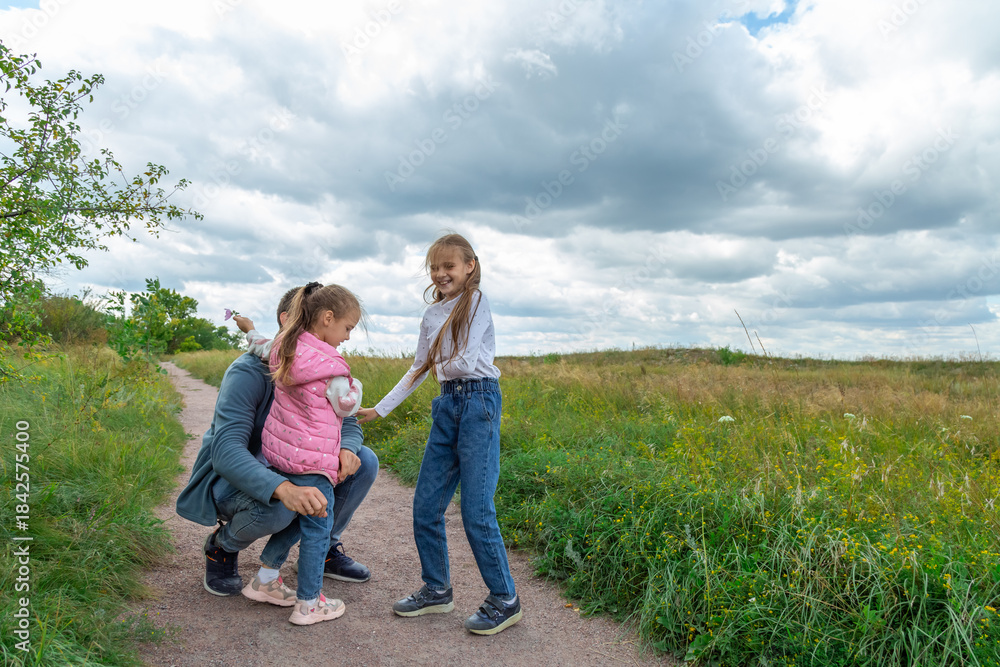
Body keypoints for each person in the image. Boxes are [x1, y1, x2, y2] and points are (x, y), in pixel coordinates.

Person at [175, 285, 378, 619]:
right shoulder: (249, 372)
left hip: (295, 464)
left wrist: (346, 448)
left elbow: (347, 419)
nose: (344, 337)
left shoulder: (319, 362)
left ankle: (323, 549)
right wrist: (284, 490)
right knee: (281, 507)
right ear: (290, 319)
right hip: (236, 477)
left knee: (364, 461)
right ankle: (222, 547)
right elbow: (226, 452)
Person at [357, 233, 521, 636]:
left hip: (479, 403)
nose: (441, 273)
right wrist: (380, 408)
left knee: (476, 510)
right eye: (435, 267)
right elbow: (419, 368)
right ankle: (437, 588)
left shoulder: (477, 301)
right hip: (447, 404)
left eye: (449, 266)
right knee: (426, 506)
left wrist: (438, 363)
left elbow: (464, 361)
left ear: (470, 266)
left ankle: (505, 599)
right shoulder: (431, 316)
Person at [249, 282, 364, 625]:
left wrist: (249, 329)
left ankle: (265, 579)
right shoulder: (333, 366)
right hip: (313, 460)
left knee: (303, 518)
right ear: (328, 318)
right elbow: (347, 407)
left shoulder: (283, 346)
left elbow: (257, 344)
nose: (347, 337)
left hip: (282, 455)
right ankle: (309, 603)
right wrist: (355, 385)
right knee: (318, 528)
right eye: (347, 328)